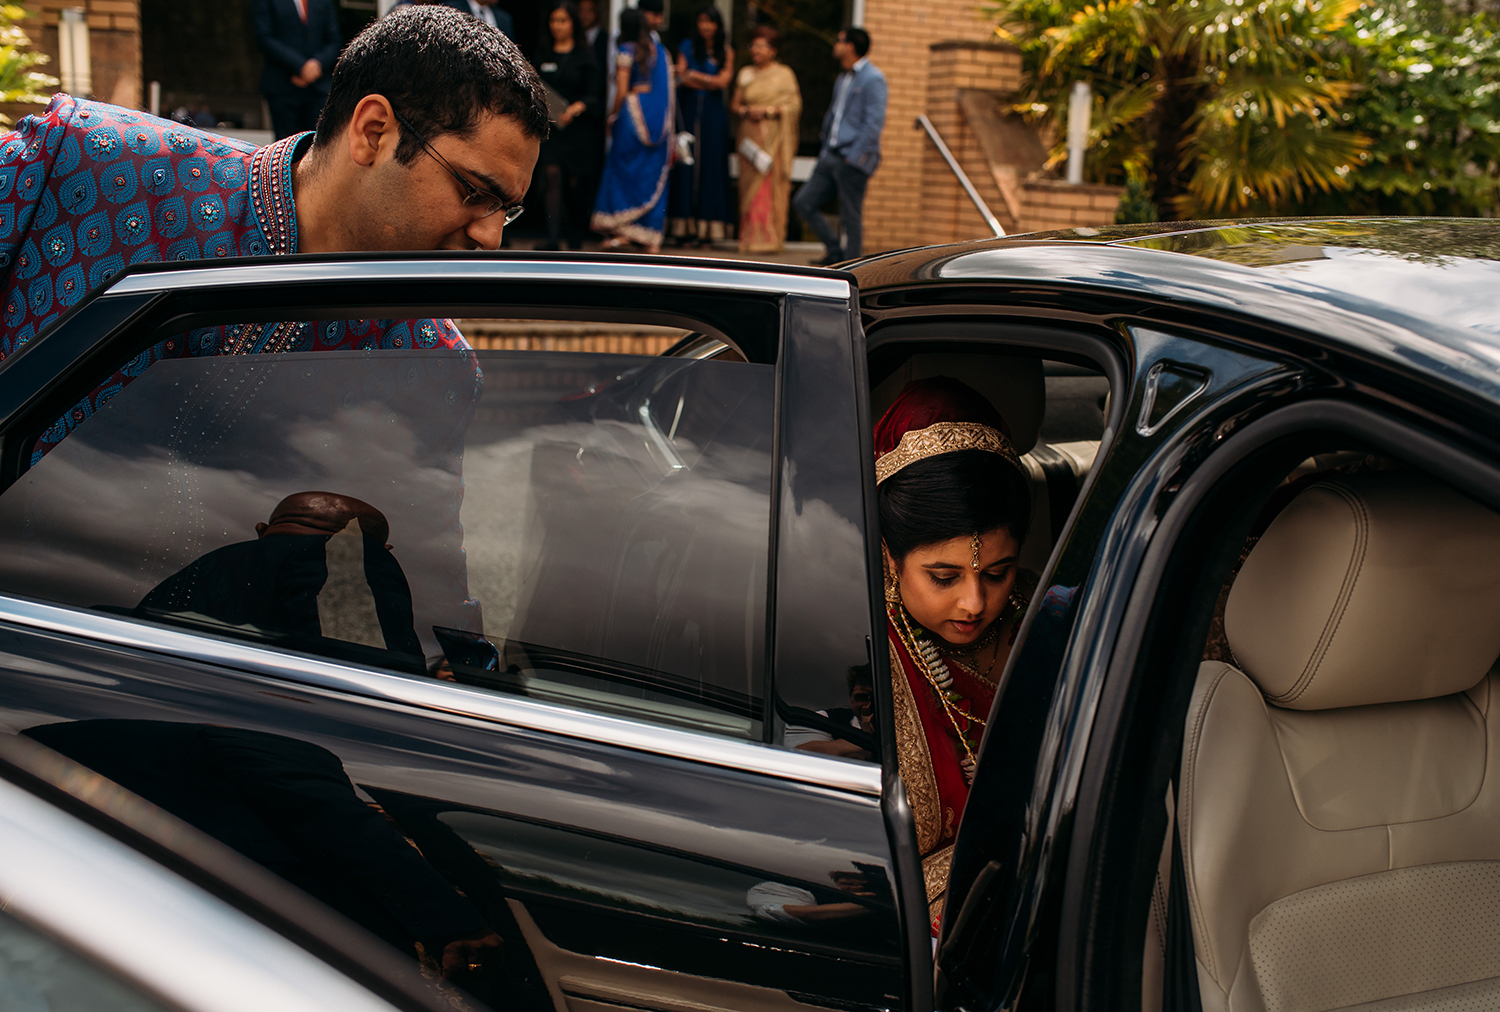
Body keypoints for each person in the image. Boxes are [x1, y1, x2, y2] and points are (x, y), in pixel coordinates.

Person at [0, 5, 546, 450]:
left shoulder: (432, 366)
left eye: (508, 209)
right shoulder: (91, 163)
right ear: (374, 132)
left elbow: (424, 569)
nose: (490, 237)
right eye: (475, 192)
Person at [874, 376, 1033, 932]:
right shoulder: (867, 655)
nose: (974, 603)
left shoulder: (1049, 615)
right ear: (890, 559)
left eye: (996, 572)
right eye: (943, 577)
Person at [138, 491, 424, 661]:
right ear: (382, 551)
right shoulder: (352, 560)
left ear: (261, 529)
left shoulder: (201, 568)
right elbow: (368, 673)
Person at [793, 26, 886, 265]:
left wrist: (854, 157)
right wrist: (826, 148)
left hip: (851, 159)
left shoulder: (873, 78)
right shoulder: (843, 77)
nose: (835, 44)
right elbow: (835, 115)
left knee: (850, 217)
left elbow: (873, 123)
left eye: (839, 40)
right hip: (830, 156)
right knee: (804, 202)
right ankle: (835, 252)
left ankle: (853, 268)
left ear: (851, 46)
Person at [590, 7, 673, 252]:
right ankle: (649, 237)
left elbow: (622, 89)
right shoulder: (660, 52)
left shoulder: (626, 50)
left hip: (631, 118)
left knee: (622, 172)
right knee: (647, 174)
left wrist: (613, 115)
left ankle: (621, 232)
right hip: (658, 123)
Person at [533, 1, 601, 250]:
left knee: (575, 183)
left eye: (563, 21)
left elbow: (595, 93)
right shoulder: (543, 52)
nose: (557, 26)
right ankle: (552, 237)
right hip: (552, 128)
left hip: (578, 130)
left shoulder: (585, 55)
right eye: (553, 21)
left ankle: (575, 235)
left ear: (573, 24)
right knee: (551, 175)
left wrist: (577, 108)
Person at [729, 26, 801, 253]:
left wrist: (769, 110)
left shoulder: (784, 74)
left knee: (770, 186)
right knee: (749, 187)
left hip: (775, 139)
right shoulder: (745, 74)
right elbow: (735, 105)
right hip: (750, 137)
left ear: (773, 50)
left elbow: (794, 105)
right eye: (754, 45)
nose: (756, 50)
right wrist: (745, 112)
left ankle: (770, 240)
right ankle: (749, 240)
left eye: (762, 46)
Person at [667, 6, 734, 247]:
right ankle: (683, 228)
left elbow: (723, 81)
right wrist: (707, 81)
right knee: (685, 165)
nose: (706, 26)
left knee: (711, 166)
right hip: (688, 112)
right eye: (702, 21)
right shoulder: (687, 46)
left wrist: (694, 76)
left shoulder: (725, 50)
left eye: (711, 22)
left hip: (713, 117)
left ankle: (708, 230)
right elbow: (680, 76)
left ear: (718, 26)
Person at [253, 0, 342, 140]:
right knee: (286, 151)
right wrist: (300, 67)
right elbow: (264, 37)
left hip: (318, 88)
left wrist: (316, 64)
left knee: (319, 146)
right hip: (283, 86)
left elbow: (334, 41)